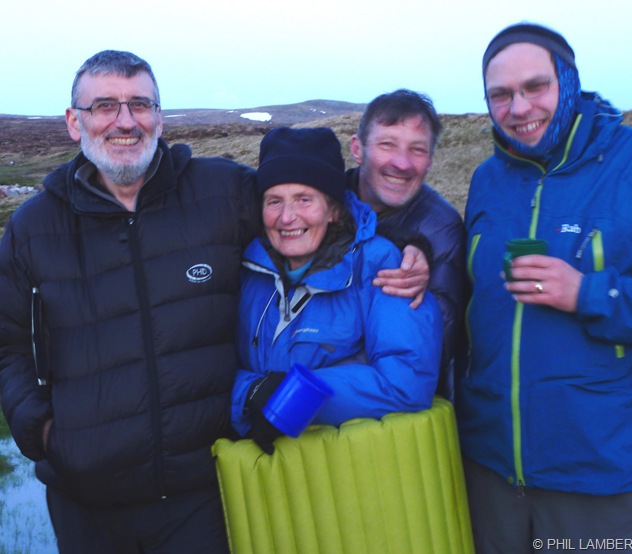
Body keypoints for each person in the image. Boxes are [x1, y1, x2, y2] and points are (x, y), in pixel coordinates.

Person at [0, 51, 431, 552]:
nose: (125, 121)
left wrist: (413, 242)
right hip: (86, 505)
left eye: (140, 104)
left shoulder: (220, 191)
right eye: (104, 106)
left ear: (159, 117)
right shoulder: (33, 227)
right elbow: (8, 343)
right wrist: (42, 433)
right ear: (75, 121)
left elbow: (317, 201)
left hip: (204, 499)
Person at [458, 22, 632, 552]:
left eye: (535, 87)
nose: (519, 108)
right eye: (500, 94)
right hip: (491, 471)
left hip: (601, 477)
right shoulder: (487, 179)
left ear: (568, 81)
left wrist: (588, 293)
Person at [231, 126, 443, 454]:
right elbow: (210, 366)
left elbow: (407, 381)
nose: (287, 217)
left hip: (352, 467)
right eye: (274, 201)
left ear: (333, 209)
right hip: (271, 475)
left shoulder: (383, 265)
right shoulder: (245, 269)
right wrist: (249, 393)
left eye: (304, 199)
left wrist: (292, 398)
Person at [348, 89, 468, 398]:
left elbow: (432, 352)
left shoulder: (440, 230)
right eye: (387, 144)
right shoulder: (322, 203)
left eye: (417, 149)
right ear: (358, 149)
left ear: (430, 161)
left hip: (390, 410)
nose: (402, 163)